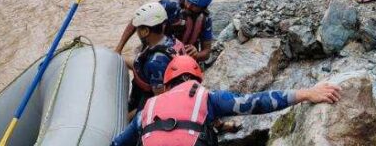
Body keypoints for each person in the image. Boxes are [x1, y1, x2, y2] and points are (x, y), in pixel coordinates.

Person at [110, 55, 342, 146]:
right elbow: (257, 103)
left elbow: (118, 144)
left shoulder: (147, 109)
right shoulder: (208, 98)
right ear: (197, 80)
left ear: (168, 83)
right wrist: (306, 93)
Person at [115, 0, 215, 63]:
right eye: (188, 1)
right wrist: (119, 49)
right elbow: (137, 20)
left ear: (203, 7)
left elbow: (206, 52)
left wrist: (197, 55)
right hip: (158, 52)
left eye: (195, 5)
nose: (189, 6)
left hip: (183, 60)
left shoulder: (205, 20)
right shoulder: (169, 6)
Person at [126, 2, 184, 113]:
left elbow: (159, 101)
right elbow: (138, 64)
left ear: (145, 31)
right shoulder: (174, 42)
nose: (137, 32)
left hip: (148, 100)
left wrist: (131, 116)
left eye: (138, 29)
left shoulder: (155, 63)